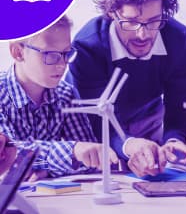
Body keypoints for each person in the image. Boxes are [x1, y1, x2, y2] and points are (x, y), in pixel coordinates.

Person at [66, 0, 186, 177]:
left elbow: (179, 110)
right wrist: (129, 145)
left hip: (148, 118)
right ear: (111, 12)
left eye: (153, 21)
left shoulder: (181, 41)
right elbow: (96, 121)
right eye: (131, 22)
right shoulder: (87, 48)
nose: (143, 34)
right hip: (92, 125)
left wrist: (174, 141)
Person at [0, 16, 118, 181]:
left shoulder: (65, 94)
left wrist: (48, 170)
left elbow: (91, 157)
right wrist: (72, 151)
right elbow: (8, 153)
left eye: (66, 53)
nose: (62, 64)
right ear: (18, 52)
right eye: (51, 54)